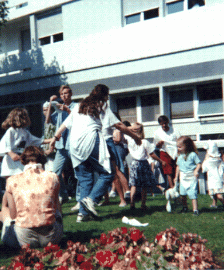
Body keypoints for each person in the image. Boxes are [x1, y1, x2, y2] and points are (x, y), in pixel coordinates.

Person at [50, 84, 142, 222]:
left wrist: (55, 137)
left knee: (85, 179)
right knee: (109, 172)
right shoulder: (101, 105)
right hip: (90, 140)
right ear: (105, 96)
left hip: (74, 145)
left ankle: (82, 215)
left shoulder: (80, 106)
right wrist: (135, 137)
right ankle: (91, 200)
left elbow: (65, 124)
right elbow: (119, 125)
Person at [0, 146, 63, 249]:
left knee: (5, 211)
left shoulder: (12, 180)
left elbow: (13, 215)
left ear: (23, 160)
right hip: (52, 238)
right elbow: (58, 209)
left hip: (24, 239)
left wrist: (4, 205)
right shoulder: (53, 177)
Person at [0, 108, 51, 179]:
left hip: (20, 161)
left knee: (22, 182)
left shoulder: (25, 132)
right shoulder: (11, 130)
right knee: (11, 183)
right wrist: (10, 153)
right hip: (10, 161)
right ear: (19, 118)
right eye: (25, 116)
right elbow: (4, 144)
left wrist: (53, 139)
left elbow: (37, 141)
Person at [45, 85, 78, 203]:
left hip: (73, 144)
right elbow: (48, 121)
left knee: (79, 173)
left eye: (66, 93)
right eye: (62, 94)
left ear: (71, 94)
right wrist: (50, 104)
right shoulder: (58, 108)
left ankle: (80, 199)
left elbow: (78, 120)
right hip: (61, 146)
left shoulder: (76, 106)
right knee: (56, 173)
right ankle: (64, 195)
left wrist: (67, 110)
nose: (64, 96)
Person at [125, 123, 166, 211]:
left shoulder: (129, 140)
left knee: (133, 185)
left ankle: (132, 204)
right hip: (143, 164)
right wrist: (161, 161)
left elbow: (124, 129)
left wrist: (131, 128)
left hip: (133, 163)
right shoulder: (145, 142)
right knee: (144, 185)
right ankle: (143, 204)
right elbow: (151, 154)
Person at [173, 136, 202, 216]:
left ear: (187, 146)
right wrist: (176, 177)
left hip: (191, 176)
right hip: (183, 177)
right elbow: (178, 166)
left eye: (180, 147)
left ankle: (195, 210)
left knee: (193, 194)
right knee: (182, 194)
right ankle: (185, 206)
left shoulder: (193, 155)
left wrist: (196, 170)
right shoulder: (180, 156)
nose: (178, 148)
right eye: (177, 147)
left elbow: (199, 164)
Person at [154, 115, 180, 188]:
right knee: (168, 171)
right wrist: (159, 144)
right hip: (164, 152)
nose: (164, 125)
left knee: (176, 170)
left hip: (175, 152)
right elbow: (156, 145)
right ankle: (172, 188)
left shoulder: (174, 130)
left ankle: (176, 187)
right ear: (160, 124)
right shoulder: (157, 132)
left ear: (168, 122)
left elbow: (180, 141)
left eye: (165, 123)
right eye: (162, 124)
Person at [202, 141, 224, 210]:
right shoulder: (219, 160)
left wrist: (205, 158)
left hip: (212, 179)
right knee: (214, 192)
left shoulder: (208, 161)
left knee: (217, 194)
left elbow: (204, 169)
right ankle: (214, 204)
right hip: (219, 179)